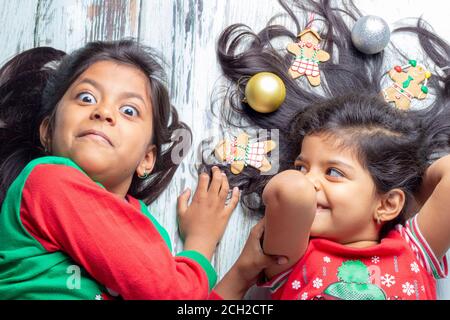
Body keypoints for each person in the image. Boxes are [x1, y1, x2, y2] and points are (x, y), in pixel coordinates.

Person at [210, 0, 450, 299]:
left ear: (387, 204)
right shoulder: (291, 252)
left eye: (333, 172)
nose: (308, 180)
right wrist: (241, 273)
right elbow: (291, 193)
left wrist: (405, 180)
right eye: (301, 166)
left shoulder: (414, 248)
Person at [0, 40, 241, 299]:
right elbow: (171, 295)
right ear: (48, 131)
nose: (103, 111)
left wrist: (242, 274)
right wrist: (200, 246)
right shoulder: (46, 180)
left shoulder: (149, 229)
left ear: (146, 159)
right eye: (86, 97)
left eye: (128, 110)